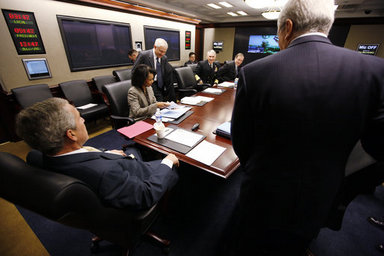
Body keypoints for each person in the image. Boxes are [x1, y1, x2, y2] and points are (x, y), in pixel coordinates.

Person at [230, 0, 384, 255]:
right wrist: (341, 177)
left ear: (287, 28)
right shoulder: (376, 71)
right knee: (300, 241)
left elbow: (242, 143)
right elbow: (377, 149)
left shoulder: (253, 73)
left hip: (263, 192)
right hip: (323, 194)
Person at [15, 97, 179, 210]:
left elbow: (85, 157)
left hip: (116, 167)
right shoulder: (106, 173)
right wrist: (168, 162)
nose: (84, 120)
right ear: (71, 134)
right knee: (178, 166)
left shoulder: (37, 157)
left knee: (134, 148)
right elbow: (145, 194)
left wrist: (106, 153)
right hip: (141, 179)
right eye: (79, 118)